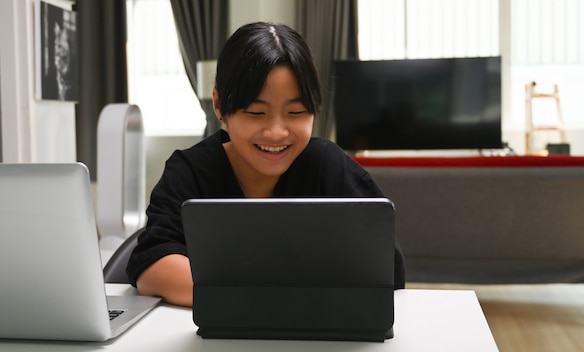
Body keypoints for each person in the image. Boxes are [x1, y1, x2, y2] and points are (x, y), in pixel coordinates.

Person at [126, 22, 405, 306]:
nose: (276, 132)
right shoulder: (190, 171)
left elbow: (385, 267)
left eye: (295, 112)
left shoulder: (328, 167)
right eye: (256, 112)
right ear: (219, 105)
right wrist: (261, 300)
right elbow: (153, 265)